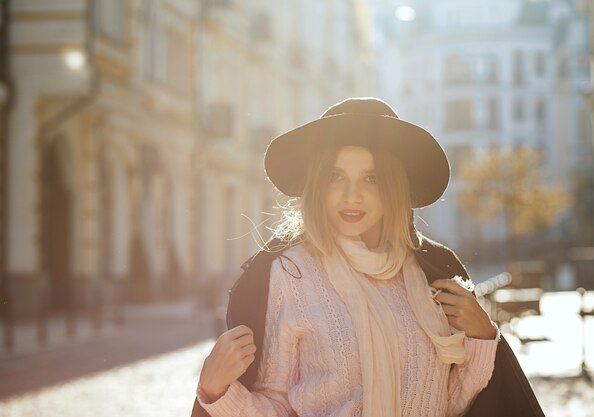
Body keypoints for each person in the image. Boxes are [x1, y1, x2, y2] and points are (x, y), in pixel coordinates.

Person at [191, 98, 543, 417]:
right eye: (336, 177)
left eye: (371, 178)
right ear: (318, 184)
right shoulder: (290, 275)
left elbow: (451, 405)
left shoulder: (431, 275)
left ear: (393, 186)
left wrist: (483, 339)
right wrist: (215, 391)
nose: (351, 195)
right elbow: (279, 406)